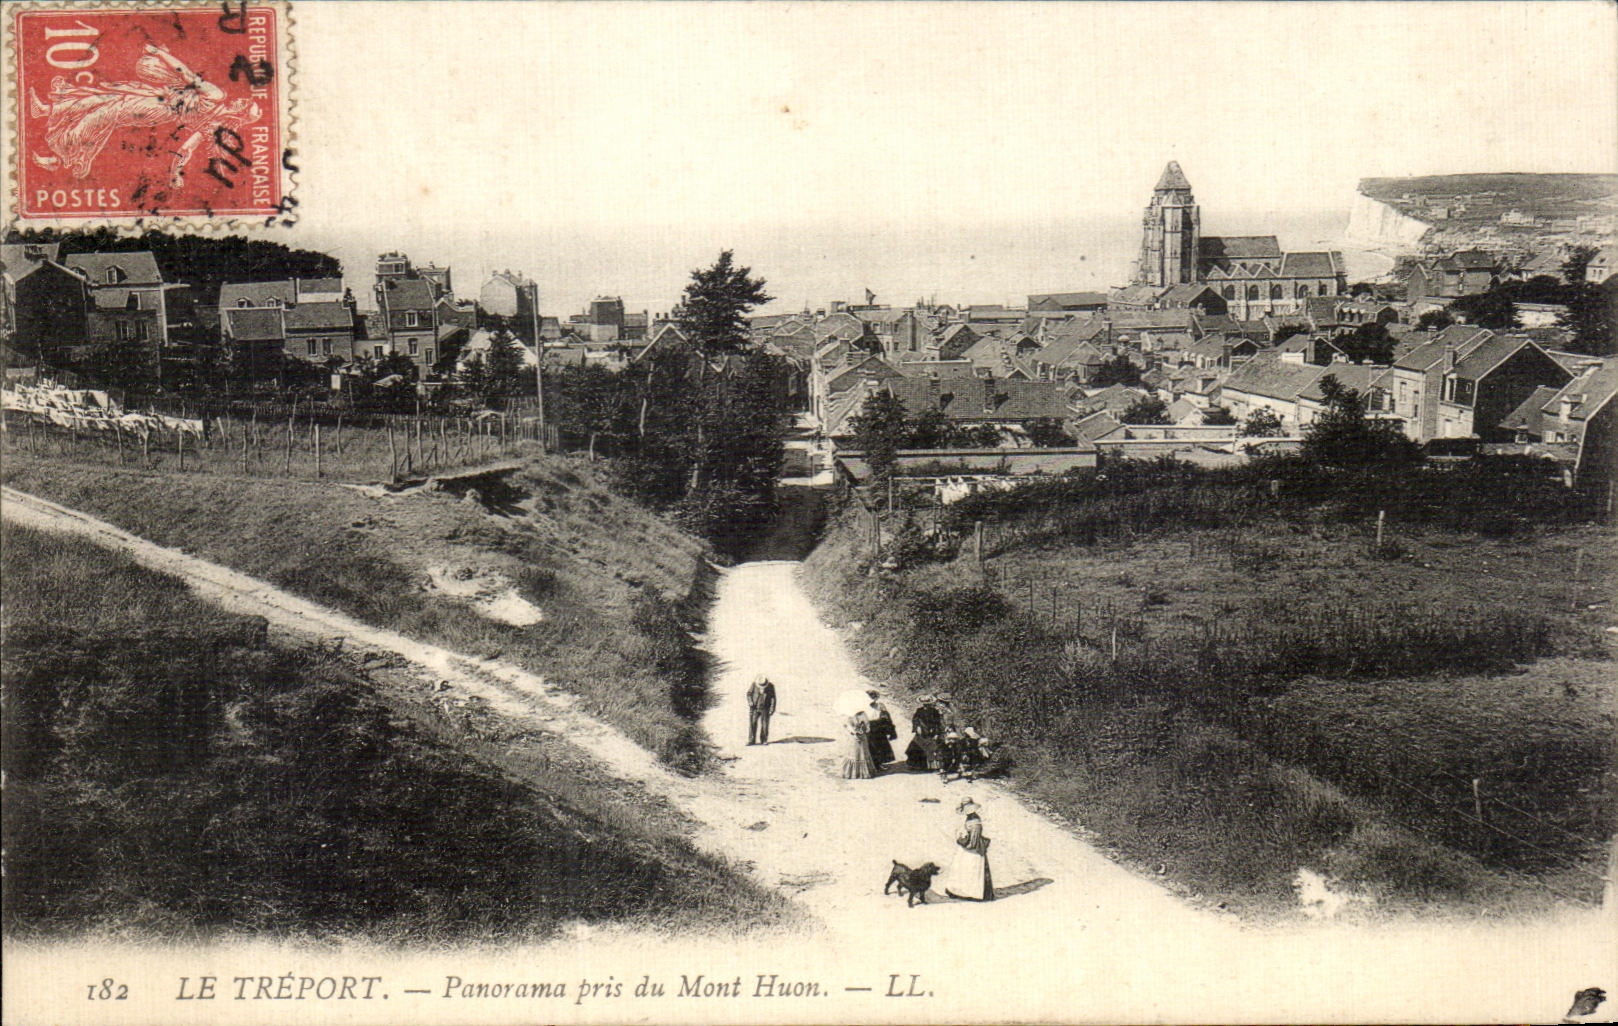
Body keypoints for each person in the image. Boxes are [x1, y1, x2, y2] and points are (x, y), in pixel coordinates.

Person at [942, 798, 995, 901]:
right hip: (968, 846)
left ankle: (972, 894)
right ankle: (959, 892)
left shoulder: (975, 821)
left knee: (971, 870)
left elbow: (974, 841)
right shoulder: (970, 818)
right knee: (961, 869)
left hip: (973, 849)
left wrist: (964, 842)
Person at [906, 695, 945, 771]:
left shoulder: (934, 711)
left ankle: (932, 766)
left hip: (931, 732)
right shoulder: (919, 711)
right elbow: (915, 720)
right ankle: (915, 765)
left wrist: (937, 733)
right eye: (924, 703)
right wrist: (917, 727)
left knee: (933, 747)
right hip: (922, 732)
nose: (926, 705)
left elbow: (938, 723)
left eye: (928, 703)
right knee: (915, 746)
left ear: (930, 704)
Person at [841, 708, 876, 779]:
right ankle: (852, 773)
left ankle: (864, 772)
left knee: (863, 753)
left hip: (863, 738)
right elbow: (847, 726)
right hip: (854, 738)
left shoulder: (863, 715)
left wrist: (864, 729)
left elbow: (868, 727)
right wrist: (854, 732)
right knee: (854, 753)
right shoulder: (849, 716)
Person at [866, 689, 897, 767]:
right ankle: (872, 764)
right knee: (870, 746)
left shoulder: (880, 706)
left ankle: (879, 764)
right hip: (869, 727)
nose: (872, 700)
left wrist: (889, 729)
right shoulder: (864, 707)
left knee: (880, 746)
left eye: (873, 698)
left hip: (879, 727)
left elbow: (886, 717)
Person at [745, 675, 776, 745]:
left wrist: (772, 709)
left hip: (765, 708)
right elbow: (748, 694)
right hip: (755, 708)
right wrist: (750, 702)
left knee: (765, 725)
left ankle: (764, 740)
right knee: (752, 723)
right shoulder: (753, 685)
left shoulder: (771, 686)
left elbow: (773, 698)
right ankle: (751, 740)